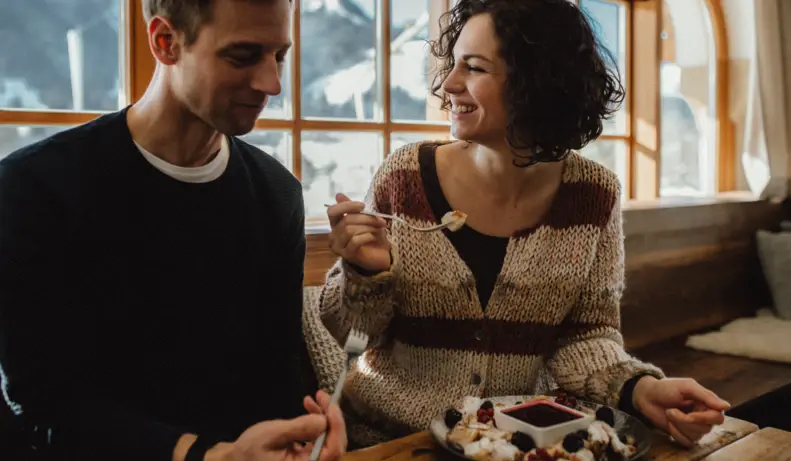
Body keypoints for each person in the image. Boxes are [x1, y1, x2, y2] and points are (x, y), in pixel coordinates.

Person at [317, 0, 729, 449]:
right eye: (453, 65)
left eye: (474, 68)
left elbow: (587, 338)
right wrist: (365, 274)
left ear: (538, 81)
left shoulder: (593, 196)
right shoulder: (404, 177)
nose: (448, 85)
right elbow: (349, 332)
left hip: (516, 445)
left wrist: (642, 390)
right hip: (391, 442)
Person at [0, 1, 346, 460]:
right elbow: (44, 404)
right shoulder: (35, 189)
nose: (272, 84)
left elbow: (275, 373)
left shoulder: (275, 194)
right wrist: (203, 455)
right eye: (242, 56)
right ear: (165, 42)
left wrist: (307, 436)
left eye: (278, 55)